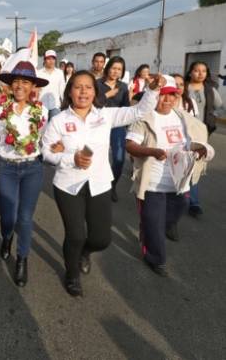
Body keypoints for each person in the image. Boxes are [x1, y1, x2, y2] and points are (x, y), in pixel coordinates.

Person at [41, 70, 164, 297]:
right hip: (68, 186)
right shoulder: (58, 121)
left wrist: (153, 90)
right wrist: (70, 158)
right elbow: (46, 153)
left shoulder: (105, 116)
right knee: (75, 235)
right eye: (78, 87)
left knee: (101, 239)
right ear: (70, 91)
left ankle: (85, 252)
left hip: (99, 184)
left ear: (95, 91)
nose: (83, 91)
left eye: (88, 87)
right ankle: (72, 274)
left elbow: (138, 111)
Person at [126, 75, 214, 276]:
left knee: (180, 208)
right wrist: (152, 152)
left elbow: (193, 140)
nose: (167, 101)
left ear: (177, 96)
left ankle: (149, 228)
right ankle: (156, 259)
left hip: (179, 182)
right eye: (162, 96)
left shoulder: (183, 118)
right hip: (153, 183)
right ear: (155, 95)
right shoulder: (144, 118)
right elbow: (130, 146)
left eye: (171, 96)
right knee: (155, 224)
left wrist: (199, 149)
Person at [0, 61, 49, 286]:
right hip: (7, 167)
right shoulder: (0, 107)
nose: (20, 86)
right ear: (10, 85)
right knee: (8, 215)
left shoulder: (41, 110)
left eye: (25, 82)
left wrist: (57, 149)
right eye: (16, 81)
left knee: (25, 217)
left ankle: (22, 258)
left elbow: (47, 140)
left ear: (32, 87)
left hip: (32, 167)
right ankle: (7, 236)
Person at [184, 61, 223, 217]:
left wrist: (213, 118)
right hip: (183, 130)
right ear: (190, 72)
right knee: (181, 163)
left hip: (202, 133)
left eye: (203, 71)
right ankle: (177, 195)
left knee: (196, 166)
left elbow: (220, 107)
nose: (200, 73)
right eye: (196, 70)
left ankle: (193, 202)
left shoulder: (210, 90)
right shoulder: (183, 88)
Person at [97, 56, 130, 202]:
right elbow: (91, 103)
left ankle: (112, 185)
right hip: (98, 124)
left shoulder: (123, 87)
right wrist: (107, 95)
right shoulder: (97, 84)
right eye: (114, 68)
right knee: (97, 157)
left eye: (119, 69)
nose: (116, 71)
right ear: (107, 68)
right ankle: (98, 185)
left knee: (118, 158)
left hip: (117, 125)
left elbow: (126, 107)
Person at [36, 50, 66, 118]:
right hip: (41, 106)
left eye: (53, 58)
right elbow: (36, 89)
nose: (51, 61)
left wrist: (64, 103)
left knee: (54, 126)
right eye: (48, 58)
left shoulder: (60, 73)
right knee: (42, 128)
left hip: (55, 105)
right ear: (44, 60)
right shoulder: (39, 73)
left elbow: (62, 89)